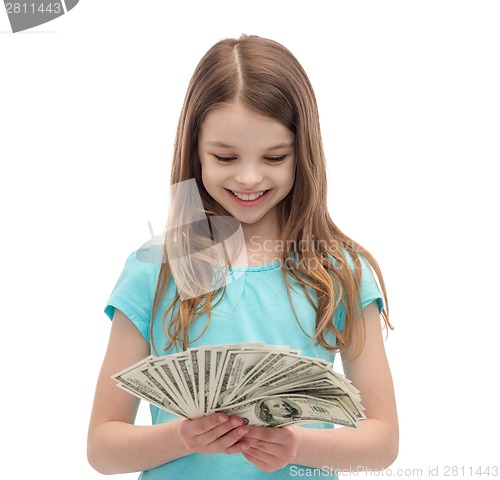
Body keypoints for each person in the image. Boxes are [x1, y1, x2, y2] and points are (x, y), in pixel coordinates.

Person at [87, 34, 399, 479]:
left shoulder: (341, 273)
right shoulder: (154, 271)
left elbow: (382, 442)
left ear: (303, 154)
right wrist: (180, 436)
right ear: (195, 151)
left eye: (274, 157)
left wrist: (295, 444)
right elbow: (102, 446)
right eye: (225, 156)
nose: (249, 177)